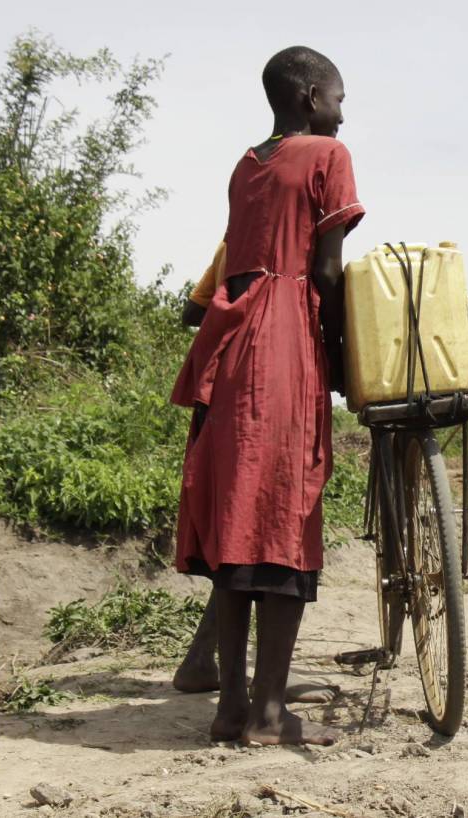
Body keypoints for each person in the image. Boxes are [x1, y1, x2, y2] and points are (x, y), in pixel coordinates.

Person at [170, 45, 363, 746]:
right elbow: (329, 271)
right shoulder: (326, 156)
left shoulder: (245, 164)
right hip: (284, 339)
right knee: (284, 513)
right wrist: (342, 360)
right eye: (339, 98)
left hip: (228, 341)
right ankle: (271, 717)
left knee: (236, 519)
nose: (344, 113)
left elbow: (237, 258)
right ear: (310, 95)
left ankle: (229, 709)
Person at [171, 241, 339, 707]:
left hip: (218, 387)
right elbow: (327, 292)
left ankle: (206, 662)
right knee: (271, 532)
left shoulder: (233, 246)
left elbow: (192, 311)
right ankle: (262, 693)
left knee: (240, 533)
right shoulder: (303, 253)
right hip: (262, 391)